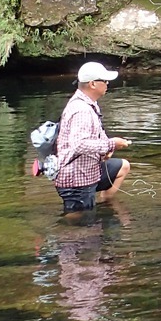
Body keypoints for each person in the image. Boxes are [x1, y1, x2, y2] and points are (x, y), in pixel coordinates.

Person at [53, 61, 131, 215]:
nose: (108, 84)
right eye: (105, 81)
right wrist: (111, 144)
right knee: (79, 226)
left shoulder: (89, 104)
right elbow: (79, 144)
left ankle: (105, 207)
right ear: (93, 84)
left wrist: (106, 150)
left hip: (89, 171)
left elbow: (92, 138)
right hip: (76, 179)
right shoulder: (81, 109)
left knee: (123, 166)